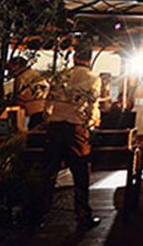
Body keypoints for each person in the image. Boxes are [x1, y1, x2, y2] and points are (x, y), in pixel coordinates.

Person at [42, 46, 101, 229]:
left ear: (75, 57)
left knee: (49, 172)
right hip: (75, 129)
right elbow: (92, 105)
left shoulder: (61, 76)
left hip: (55, 126)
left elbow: (48, 102)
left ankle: (39, 215)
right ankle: (83, 215)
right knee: (81, 173)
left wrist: (48, 119)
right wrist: (90, 122)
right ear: (89, 59)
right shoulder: (93, 78)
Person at [7, 56, 48, 130]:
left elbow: (19, 98)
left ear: (17, 66)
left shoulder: (20, 78)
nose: (9, 72)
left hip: (35, 112)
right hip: (45, 110)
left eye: (10, 68)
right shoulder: (34, 74)